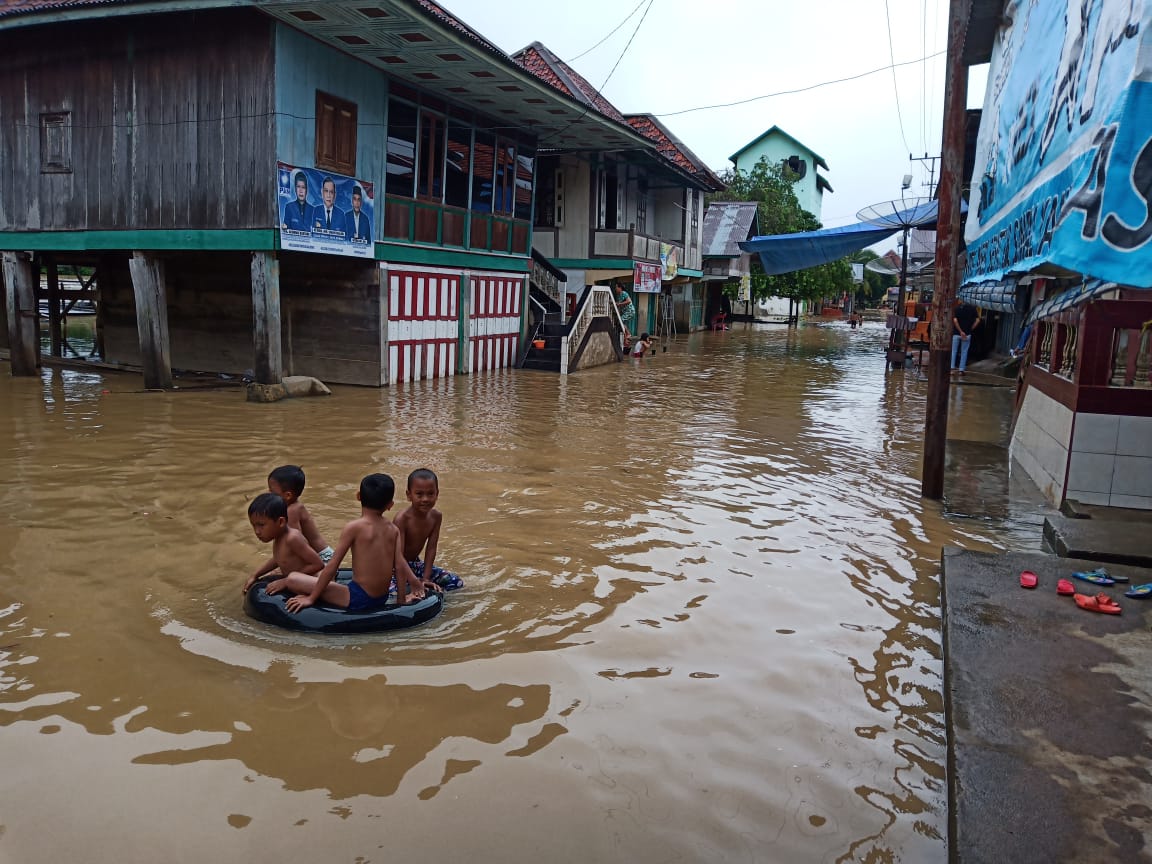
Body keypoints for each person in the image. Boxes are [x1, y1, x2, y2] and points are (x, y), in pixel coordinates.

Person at [268, 473, 426, 612]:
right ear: (390, 505)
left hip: (358, 599)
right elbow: (399, 566)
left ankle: (310, 592)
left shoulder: (354, 527)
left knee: (293, 578)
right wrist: (399, 602)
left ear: (358, 496)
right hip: (381, 598)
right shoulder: (393, 529)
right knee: (321, 577)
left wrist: (311, 598)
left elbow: (332, 566)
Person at [394, 468, 464, 592]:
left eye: (430, 494)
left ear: (437, 494)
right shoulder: (402, 519)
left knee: (455, 582)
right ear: (409, 495)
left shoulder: (436, 516)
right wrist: (414, 581)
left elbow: (431, 548)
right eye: (419, 494)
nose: (425, 499)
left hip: (415, 565)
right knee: (392, 592)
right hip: (394, 567)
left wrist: (425, 579)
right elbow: (398, 557)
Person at [242, 493, 323, 594]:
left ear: (281, 522)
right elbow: (278, 559)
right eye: (254, 526)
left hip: (311, 584)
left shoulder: (292, 538)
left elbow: (317, 564)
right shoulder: (279, 537)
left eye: (261, 525)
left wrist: (286, 581)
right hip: (295, 580)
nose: (257, 531)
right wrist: (255, 575)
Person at [267, 465, 334, 563]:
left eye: (272, 491)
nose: (268, 494)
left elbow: (295, 546)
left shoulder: (291, 511)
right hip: (324, 556)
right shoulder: (295, 506)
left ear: (288, 495)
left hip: (323, 559)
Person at [951, 302, 982, 375]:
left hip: (956, 333)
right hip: (967, 334)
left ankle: (952, 369)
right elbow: (978, 320)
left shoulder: (957, 308)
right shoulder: (973, 308)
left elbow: (955, 320)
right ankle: (961, 370)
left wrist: (960, 331)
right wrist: (970, 329)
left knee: (954, 351)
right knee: (964, 352)